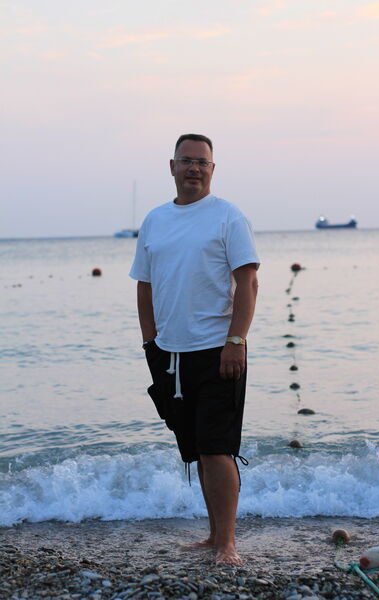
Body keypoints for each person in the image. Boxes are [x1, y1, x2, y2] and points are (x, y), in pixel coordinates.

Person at [130, 133, 259, 565]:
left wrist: (236, 340)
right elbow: (145, 286)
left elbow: (248, 283)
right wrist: (150, 343)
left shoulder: (228, 217)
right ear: (172, 167)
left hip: (218, 349)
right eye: (186, 161)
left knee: (217, 447)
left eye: (202, 162)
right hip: (168, 354)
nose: (194, 169)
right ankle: (213, 535)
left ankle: (227, 543)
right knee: (196, 447)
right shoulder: (155, 220)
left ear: (212, 169)